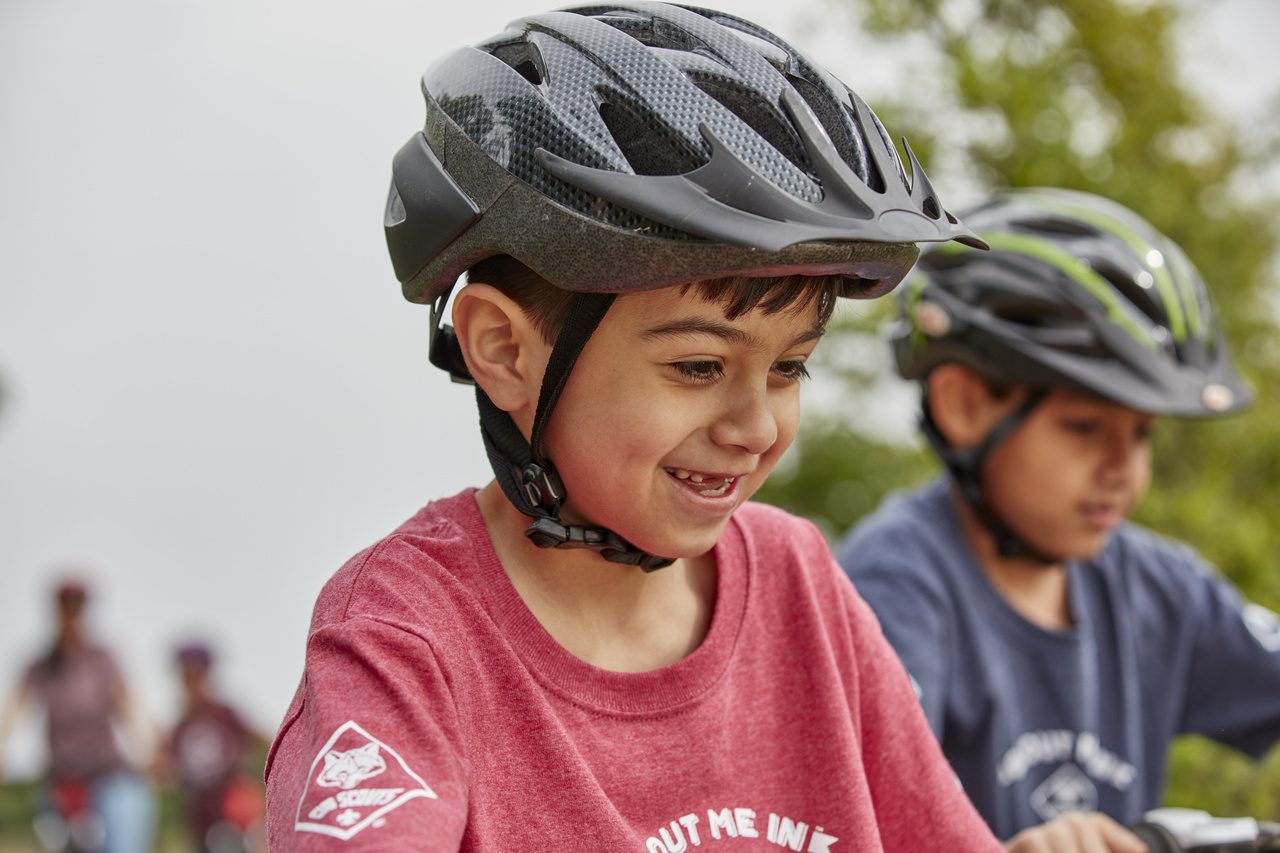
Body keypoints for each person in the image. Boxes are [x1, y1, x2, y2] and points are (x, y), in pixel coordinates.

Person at [264, 3, 1004, 850]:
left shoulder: (800, 586)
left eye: (790, 366)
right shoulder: (408, 635)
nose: (756, 425)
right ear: (505, 349)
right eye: (698, 367)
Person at [836, 187, 1280, 852]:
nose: (1122, 469)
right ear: (964, 404)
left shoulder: (1158, 586)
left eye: (1141, 434)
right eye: (1083, 427)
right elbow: (856, 813)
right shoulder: (894, 587)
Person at [0, 578, 157, 853]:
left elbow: (126, 706)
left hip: (108, 774)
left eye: (76, 608)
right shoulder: (43, 663)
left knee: (125, 843)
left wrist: (148, 748)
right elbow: (17, 709)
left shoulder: (101, 657)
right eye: (65, 608)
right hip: (64, 780)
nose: (71, 615)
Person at [161, 642, 267, 853]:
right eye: (187, 676)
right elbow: (165, 771)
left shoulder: (224, 713)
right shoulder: (179, 727)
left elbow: (263, 741)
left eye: (197, 675)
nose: (192, 682)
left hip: (234, 812)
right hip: (200, 818)